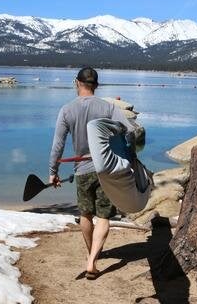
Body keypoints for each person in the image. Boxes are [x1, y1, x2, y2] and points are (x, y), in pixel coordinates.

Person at [48, 67, 133, 279]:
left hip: (82, 170)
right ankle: (92, 260)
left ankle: (91, 257)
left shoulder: (67, 110)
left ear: (76, 83)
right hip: (106, 169)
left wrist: (53, 171)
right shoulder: (108, 107)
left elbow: (58, 144)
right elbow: (128, 130)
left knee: (85, 213)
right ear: (96, 85)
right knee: (104, 215)